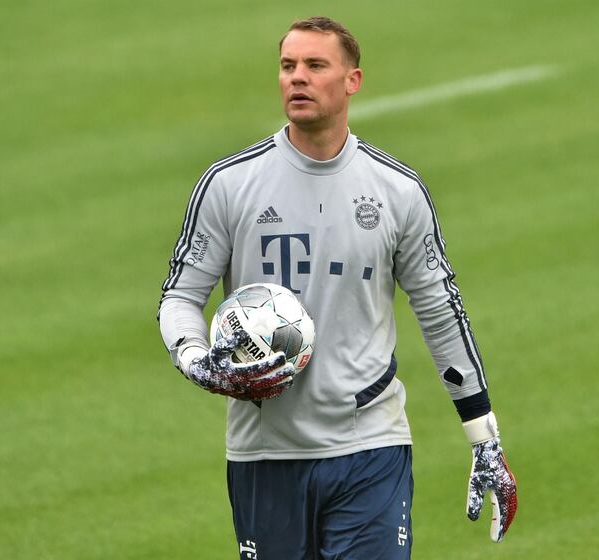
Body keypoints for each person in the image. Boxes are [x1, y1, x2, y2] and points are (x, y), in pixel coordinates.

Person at [158, 16, 517, 559]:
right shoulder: (230, 185)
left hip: (370, 446)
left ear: (352, 80)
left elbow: (442, 312)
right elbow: (180, 297)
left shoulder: (397, 191)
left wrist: (483, 436)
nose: (296, 78)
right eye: (287, 66)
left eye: (314, 66)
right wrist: (196, 360)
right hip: (265, 453)